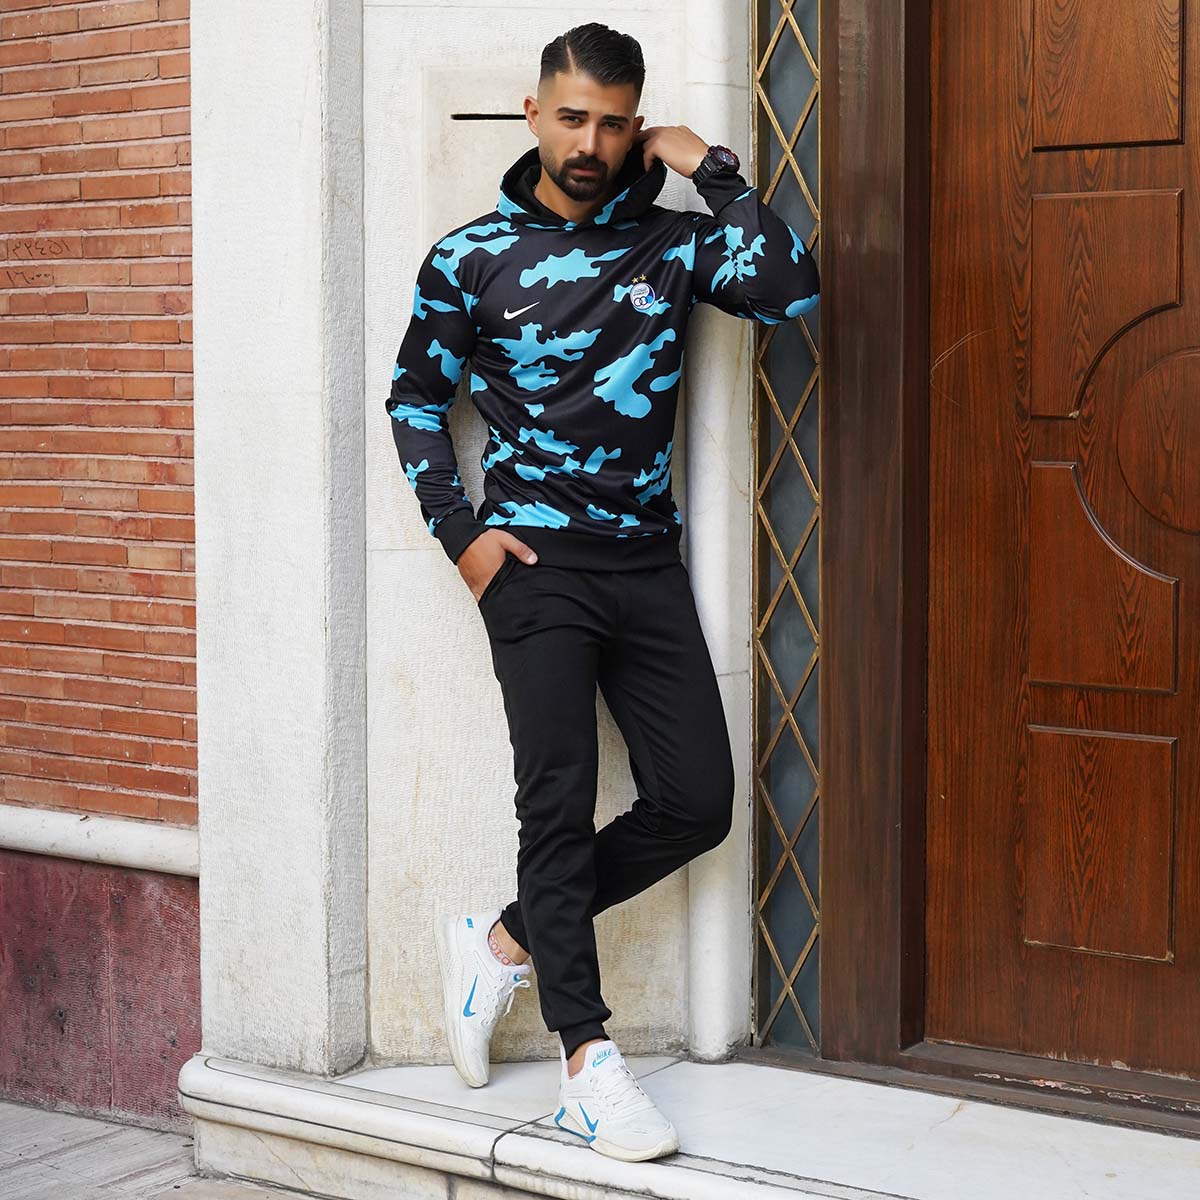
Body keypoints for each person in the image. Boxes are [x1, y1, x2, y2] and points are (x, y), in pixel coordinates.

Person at [386, 22, 819, 1163]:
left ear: (636, 127)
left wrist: (710, 167)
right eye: (572, 117)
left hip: (644, 566)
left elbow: (791, 292)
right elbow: (415, 400)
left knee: (698, 802)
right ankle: (587, 1064)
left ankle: (503, 943)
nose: (590, 143)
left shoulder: (674, 244)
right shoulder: (470, 257)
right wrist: (464, 538)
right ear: (534, 113)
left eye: (614, 123)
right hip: (534, 571)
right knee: (557, 805)